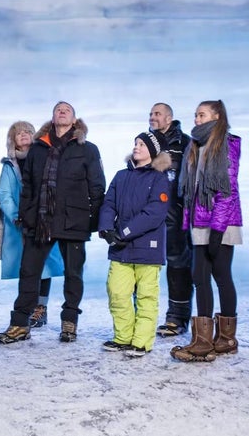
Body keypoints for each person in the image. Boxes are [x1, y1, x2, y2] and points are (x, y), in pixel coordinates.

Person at [0, 101, 106, 344]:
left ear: (75, 120)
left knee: (73, 274)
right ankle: (20, 324)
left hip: (74, 221)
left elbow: (97, 187)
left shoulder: (87, 149)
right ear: (52, 118)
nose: (62, 111)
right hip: (40, 221)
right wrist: (26, 217)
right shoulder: (38, 148)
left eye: (67, 109)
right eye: (58, 109)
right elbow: (29, 187)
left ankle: (69, 324)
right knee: (29, 272)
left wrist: (93, 221)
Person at [170, 100, 242, 363]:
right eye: (196, 115)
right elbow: (191, 190)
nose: (197, 119)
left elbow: (227, 189)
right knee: (200, 276)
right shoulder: (195, 145)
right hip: (199, 221)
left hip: (221, 221)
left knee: (221, 275)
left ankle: (226, 339)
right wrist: (188, 225)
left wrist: (217, 229)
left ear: (216, 116)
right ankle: (203, 339)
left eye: (202, 115)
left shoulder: (227, 143)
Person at [99, 130, 171, 357]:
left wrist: (124, 231)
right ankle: (123, 337)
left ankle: (141, 341)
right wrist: (106, 228)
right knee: (117, 292)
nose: (136, 147)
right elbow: (108, 203)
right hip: (121, 248)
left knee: (146, 296)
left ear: (152, 150)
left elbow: (154, 213)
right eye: (135, 143)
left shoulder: (159, 178)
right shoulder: (121, 176)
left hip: (147, 248)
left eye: (141, 144)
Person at [0, 121, 64, 328]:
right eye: (18, 133)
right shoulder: (9, 165)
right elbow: (4, 194)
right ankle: (27, 307)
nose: (23, 135)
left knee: (45, 265)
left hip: (42, 219)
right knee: (27, 268)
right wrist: (17, 215)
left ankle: (40, 308)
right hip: (19, 223)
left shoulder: (45, 157)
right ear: (12, 139)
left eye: (27, 132)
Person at [149, 103, 193, 337]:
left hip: (176, 215)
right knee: (143, 266)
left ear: (169, 118)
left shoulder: (185, 142)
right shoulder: (146, 141)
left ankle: (177, 318)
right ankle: (142, 317)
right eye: (151, 114)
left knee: (179, 266)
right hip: (149, 217)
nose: (152, 117)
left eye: (157, 113)